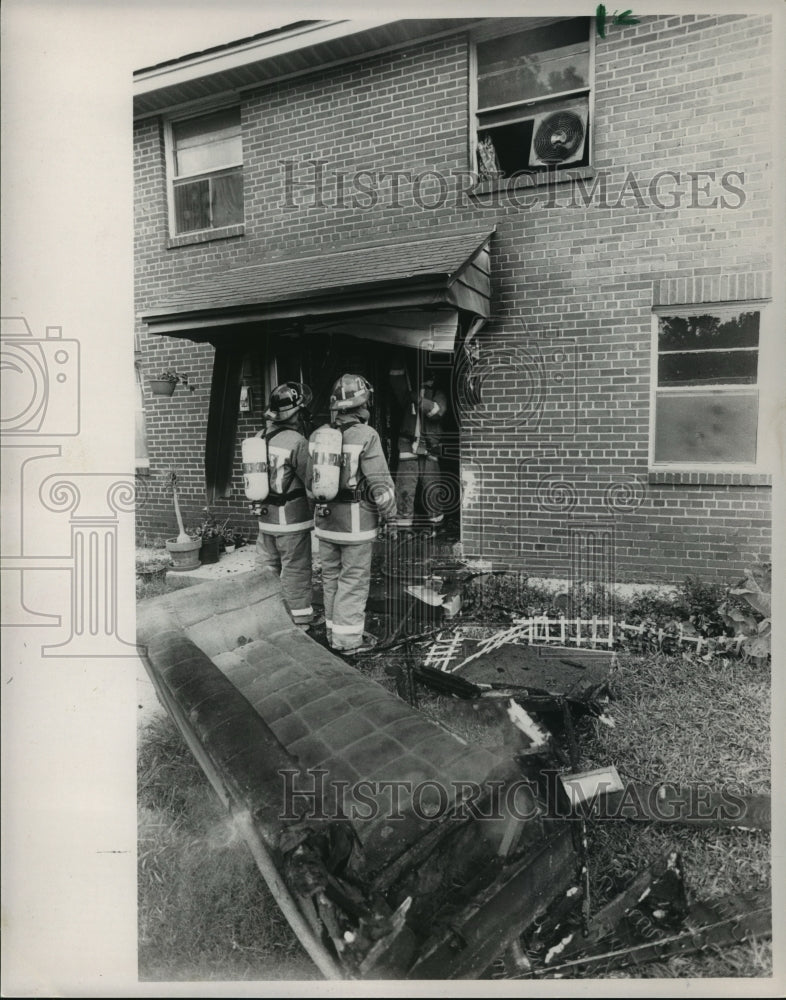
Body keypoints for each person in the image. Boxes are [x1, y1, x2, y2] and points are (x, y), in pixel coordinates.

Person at [307, 374, 396, 654]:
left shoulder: (319, 436)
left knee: (331, 578)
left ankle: (334, 633)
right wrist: (391, 517)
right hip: (356, 527)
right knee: (353, 582)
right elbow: (380, 485)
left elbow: (310, 481)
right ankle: (347, 642)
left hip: (325, 524)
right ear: (363, 405)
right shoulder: (367, 435)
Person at [252, 382, 314, 628]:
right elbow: (311, 481)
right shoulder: (298, 441)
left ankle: (267, 617)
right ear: (296, 414)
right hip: (292, 520)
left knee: (265, 569)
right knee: (295, 569)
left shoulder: (258, 437)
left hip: (264, 519)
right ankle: (299, 621)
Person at [388, 359, 448, 532]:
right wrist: (397, 356)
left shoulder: (438, 393)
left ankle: (437, 526)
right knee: (405, 489)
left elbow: (437, 412)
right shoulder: (408, 394)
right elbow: (395, 380)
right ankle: (404, 529)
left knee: (432, 490)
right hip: (408, 448)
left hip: (430, 449)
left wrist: (418, 399)